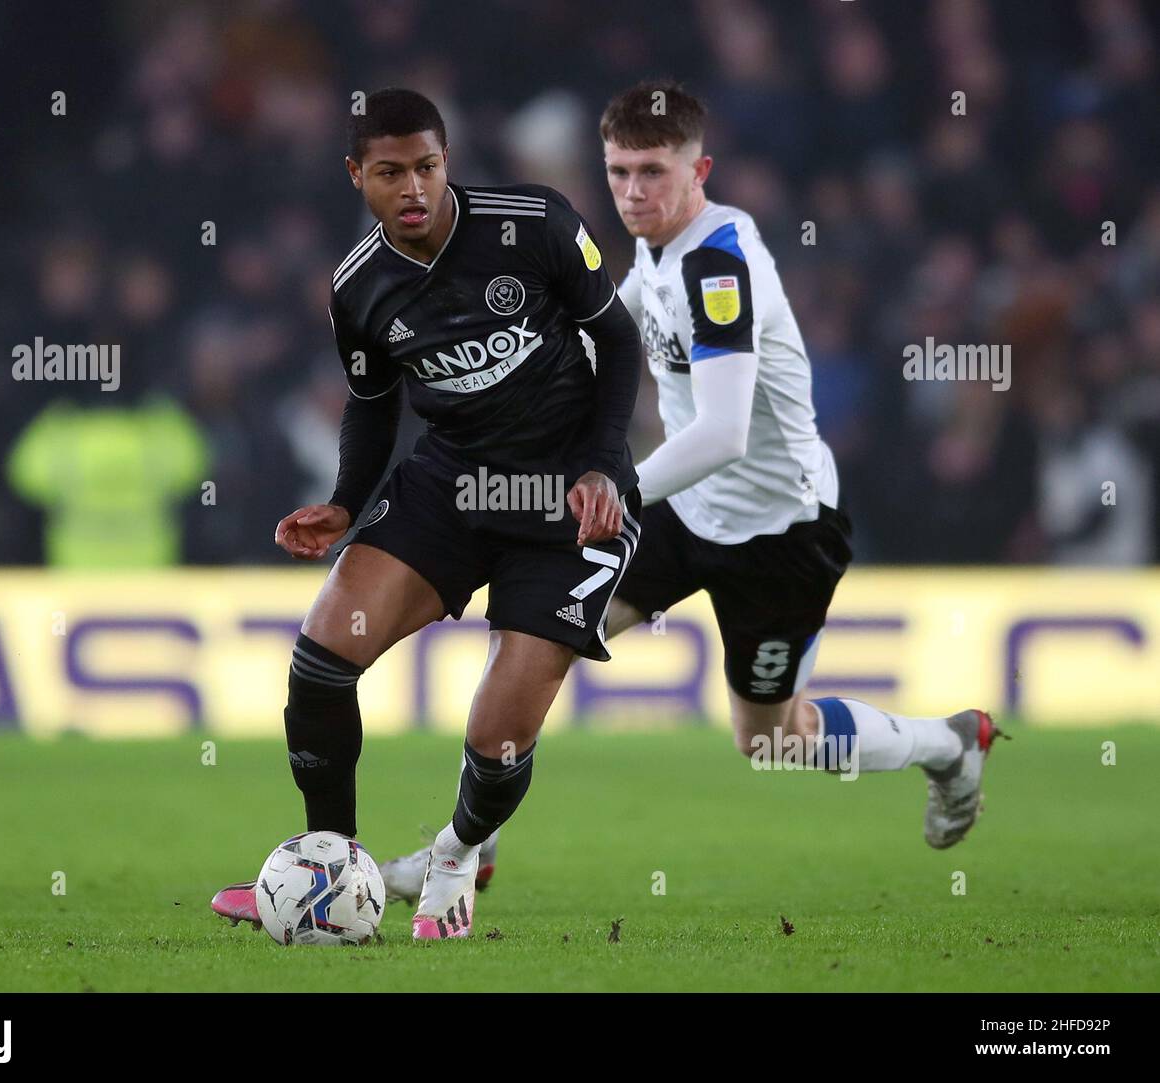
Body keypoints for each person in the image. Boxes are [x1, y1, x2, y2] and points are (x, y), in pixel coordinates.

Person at [381, 80, 1003, 904]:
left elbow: (722, 433)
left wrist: (612, 486)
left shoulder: (719, 262)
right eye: (618, 172)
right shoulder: (658, 243)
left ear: (698, 169)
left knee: (770, 738)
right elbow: (619, 322)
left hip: (781, 532)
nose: (634, 192)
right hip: (686, 510)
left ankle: (948, 745)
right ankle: (468, 844)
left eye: (652, 172)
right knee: (542, 630)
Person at [211, 87, 644, 939]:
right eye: (390, 172)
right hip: (450, 486)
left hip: (565, 499)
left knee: (499, 735)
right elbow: (374, 403)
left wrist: (601, 466)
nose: (413, 188)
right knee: (323, 654)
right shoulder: (358, 289)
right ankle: (329, 863)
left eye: (427, 167)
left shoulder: (536, 224)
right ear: (356, 176)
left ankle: (456, 851)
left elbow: (618, 341)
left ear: (447, 161)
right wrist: (344, 501)